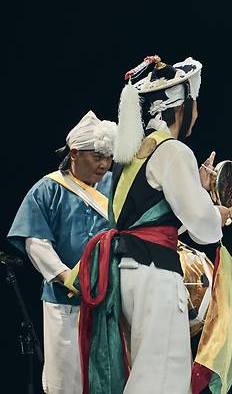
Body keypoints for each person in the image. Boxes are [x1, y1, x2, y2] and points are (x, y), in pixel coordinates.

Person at [77, 56, 232, 394]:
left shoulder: (131, 154)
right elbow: (203, 227)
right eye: (195, 104)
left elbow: (151, 220)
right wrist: (215, 211)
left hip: (130, 275)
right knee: (161, 378)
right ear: (181, 108)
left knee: (145, 371)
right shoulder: (173, 151)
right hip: (156, 277)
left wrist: (200, 188)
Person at [7, 111, 116, 394]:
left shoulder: (116, 186)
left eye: (108, 156)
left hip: (111, 299)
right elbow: (36, 242)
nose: (104, 164)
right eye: (97, 156)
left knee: (110, 375)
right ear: (75, 153)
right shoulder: (48, 190)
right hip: (64, 301)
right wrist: (66, 276)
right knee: (67, 380)